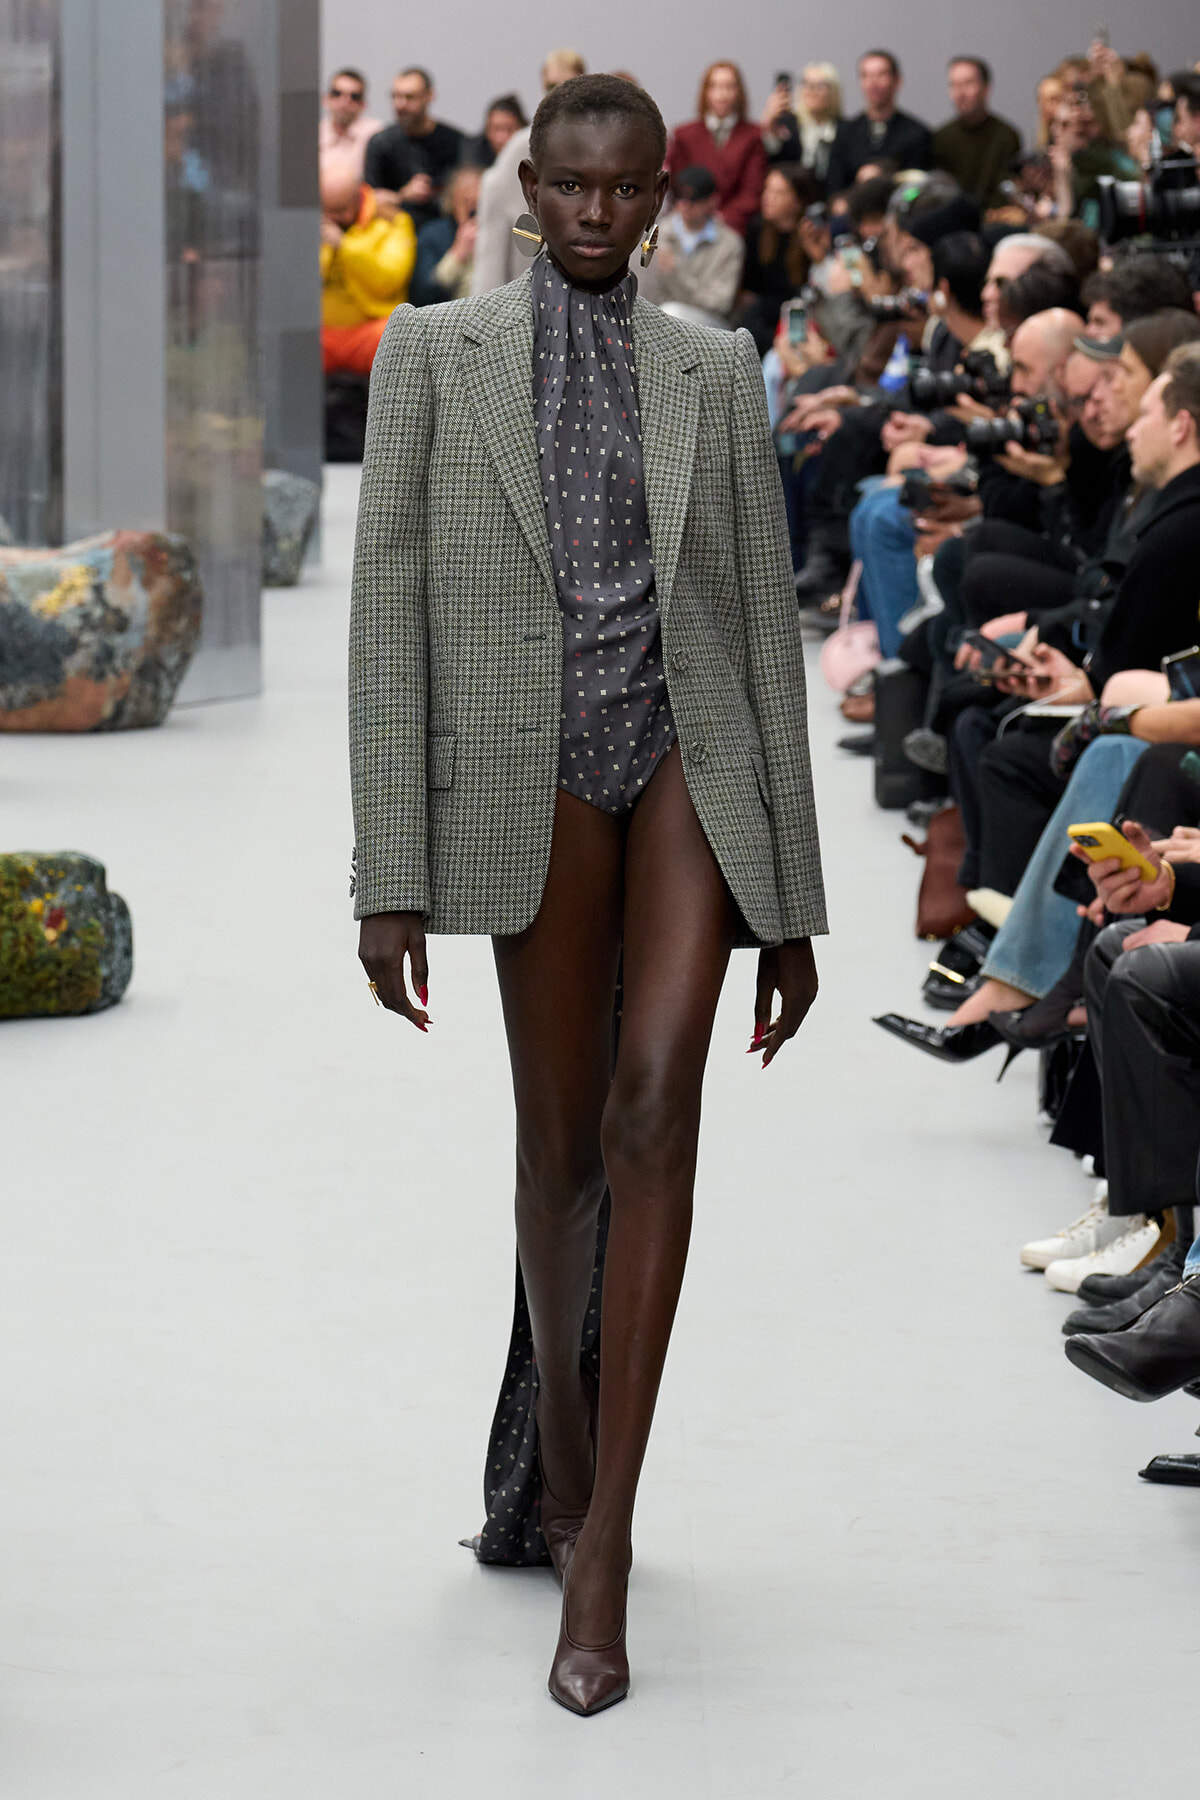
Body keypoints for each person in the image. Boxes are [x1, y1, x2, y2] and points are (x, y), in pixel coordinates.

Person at [349, 72, 825, 1717]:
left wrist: (792, 900)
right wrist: (387, 876)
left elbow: (761, 623)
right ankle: (558, 1446)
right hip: (528, 763)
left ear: (664, 196)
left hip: (687, 748)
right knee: (558, 1157)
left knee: (653, 1109)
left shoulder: (717, 366)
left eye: (629, 188)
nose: (600, 213)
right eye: (573, 186)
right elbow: (389, 612)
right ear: (530, 191)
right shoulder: (432, 354)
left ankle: (605, 1538)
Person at [471, 48, 586, 294]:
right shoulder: (519, 150)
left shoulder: (602, 146)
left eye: (569, 84)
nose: (559, 93)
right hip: (526, 295)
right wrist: (488, 308)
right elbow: (491, 249)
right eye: (551, 85)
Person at [319, 168, 416, 374]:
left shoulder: (392, 221)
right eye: (327, 210)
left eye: (340, 209)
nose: (333, 217)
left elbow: (389, 279)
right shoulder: (313, 222)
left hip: (370, 330)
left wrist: (344, 247)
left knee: (396, 338)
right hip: (322, 333)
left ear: (358, 196)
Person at [666, 61, 767, 235]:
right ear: (705, 92)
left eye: (729, 86)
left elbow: (752, 191)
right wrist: (695, 213)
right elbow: (678, 186)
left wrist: (723, 218)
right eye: (715, 86)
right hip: (689, 221)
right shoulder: (684, 135)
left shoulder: (753, 136)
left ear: (739, 92)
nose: (722, 94)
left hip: (734, 225)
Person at [638, 164, 743, 325]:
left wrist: (675, 273)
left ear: (712, 201)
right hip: (657, 320)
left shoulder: (729, 244)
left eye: (693, 200)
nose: (684, 205)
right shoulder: (658, 233)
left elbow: (720, 303)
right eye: (679, 198)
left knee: (672, 311)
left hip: (709, 324)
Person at [364, 67, 465, 231]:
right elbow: (369, 200)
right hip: (394, 230)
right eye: (395, 96)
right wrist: (403, 195)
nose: (400, 104)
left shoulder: (455, 141)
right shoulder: (381, 143)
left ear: (429, 96)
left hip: (444, 230)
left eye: (409, 97)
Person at [825, 50, 934, 197]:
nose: (873, 83)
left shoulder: (917, 134)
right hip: (853, 208)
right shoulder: (845, 132)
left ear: (897, 81)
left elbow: (919, 189)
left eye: (881, 75)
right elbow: (834, 188)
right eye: (867, 75)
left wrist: (885, 178)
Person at [738, 163, 813, 353]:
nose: (768, 198)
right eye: (767, 190)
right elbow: (751, 287)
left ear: (798, 201)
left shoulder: (810, 234)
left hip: (797, 317)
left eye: (778, 193)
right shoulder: (757, 228)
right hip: (763, 315)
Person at [932, 57, 1022, 210]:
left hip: (995, 218)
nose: (960, 93)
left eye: (968, 84)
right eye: (954, 85)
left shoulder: (1006, 137)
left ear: (986, 88)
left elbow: (1007, 191)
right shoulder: (941, 138)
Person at [409, 164, 481, 305]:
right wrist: (456, 255)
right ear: (452, 203)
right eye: (466, 202)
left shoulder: (498, 233)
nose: (474, 210)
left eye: (479, 202)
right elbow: (423, 296)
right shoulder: (432, 235)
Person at [319, 68, 383, 187]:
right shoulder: (313, 135)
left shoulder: (376, 135)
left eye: (354, 96)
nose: (345, 101)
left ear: (364, 104)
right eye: (337, 94)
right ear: (326, 98)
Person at [463, 93, 528, 170]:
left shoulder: (532, 150)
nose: (502, 137)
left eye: (509, 129)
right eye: (496, 129)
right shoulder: (474, 152)